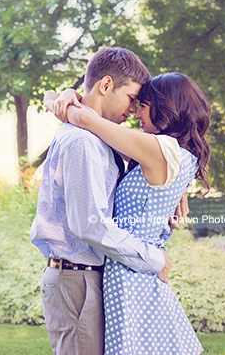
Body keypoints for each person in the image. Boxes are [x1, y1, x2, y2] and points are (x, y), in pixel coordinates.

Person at [45, 72, 211, 355]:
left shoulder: (161, 149)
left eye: (143, 105)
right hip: (128, 268)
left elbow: (86, 120)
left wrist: (62, 98)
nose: (136, 113)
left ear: (167, 107)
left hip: (133, 273)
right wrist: (59, 96)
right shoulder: (169, 151)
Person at [29, 47, 172, 355]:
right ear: (106, 85)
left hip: (86, 278)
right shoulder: (83, 142)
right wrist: (153, 259)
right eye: (132, 99)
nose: (134, 111)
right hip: (77, 280)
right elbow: (90, 226)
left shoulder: (95, 135)